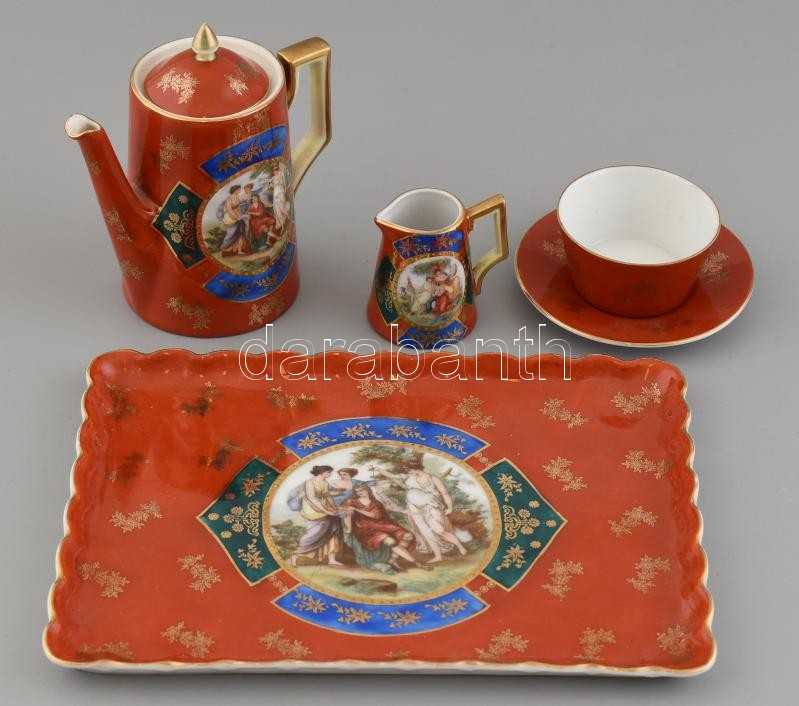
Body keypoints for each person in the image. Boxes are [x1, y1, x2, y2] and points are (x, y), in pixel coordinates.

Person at [373, 460, 467, 563]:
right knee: (426, 532)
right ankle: (438, 556)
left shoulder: (432, 478)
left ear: (416, 468)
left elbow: (444, 493)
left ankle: (460, 546)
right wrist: (378, 469)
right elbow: (392, 475)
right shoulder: (408, 477)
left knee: (440, 531)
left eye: (409, 470)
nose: (408, 472)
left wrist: (450, 508)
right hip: (413, 508)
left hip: (430, 507)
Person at [341, 484, 423, 573]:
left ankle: (392, 560)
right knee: (390, 541)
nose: (359, 492)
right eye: (357, 491)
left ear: (367, 490)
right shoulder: (351, 501)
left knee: (408, 535)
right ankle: (416, 562)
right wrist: (348, 526)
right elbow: (344, 512)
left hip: (381, 525)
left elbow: (374, 516)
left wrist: (356, 510)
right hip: (365, 528)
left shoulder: (375, 503)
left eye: (361, 490)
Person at [290, 465, 344, 567]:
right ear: (321, 472)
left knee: (334, 526)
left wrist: (334, 507)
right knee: (316, 531)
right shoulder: (310, 482)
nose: (330, 474)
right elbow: (312, 499)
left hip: (323, 506)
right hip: (311, 508)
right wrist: (326, 510)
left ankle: (331, 559)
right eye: (328, 472)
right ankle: (297, 554)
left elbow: (327, 496)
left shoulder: (325, 482)